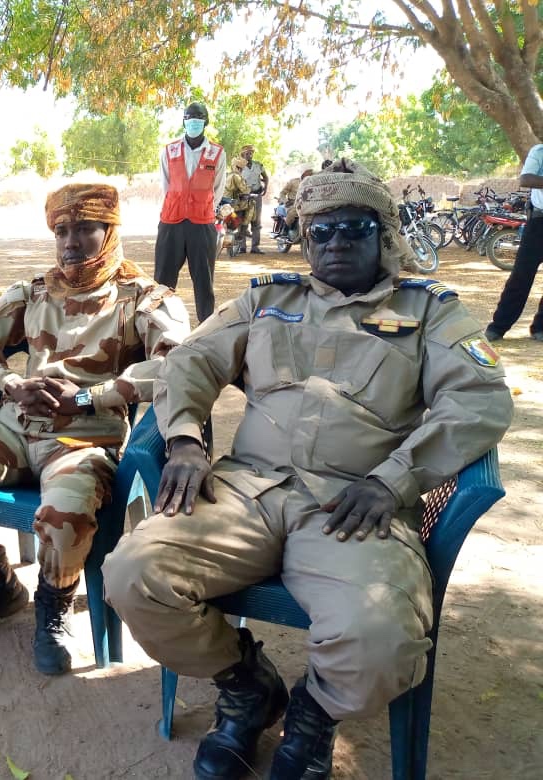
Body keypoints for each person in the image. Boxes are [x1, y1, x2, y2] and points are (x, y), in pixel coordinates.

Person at [104, 159, 513, 780]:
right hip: (247, 491)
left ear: (384, 234)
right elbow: (189, 363)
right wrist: (185, 439)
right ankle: (247, 686)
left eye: (353, 228)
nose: (336, 242)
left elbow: (479, 401)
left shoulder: (428, 311)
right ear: (304, 238)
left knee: (381, 640)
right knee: (134, 572)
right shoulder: (268, 301)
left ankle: (315, 713)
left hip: (356, 505)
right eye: (320, 231)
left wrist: (396, 478)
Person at [0, 183, 191, 676]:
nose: (70, 242)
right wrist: (9, 381)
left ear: (109, 231)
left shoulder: (144, 299)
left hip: (86, 436)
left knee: (66, 511)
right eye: (61, 231)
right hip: (11, 431)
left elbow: (176, 366)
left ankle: (53, 604)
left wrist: (88, 395)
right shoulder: (33, 292)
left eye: (84, 229)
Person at [154, 101, 227, 323]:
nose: (194, 122)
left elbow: (218, 187)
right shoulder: (170, 150)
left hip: (202, 223)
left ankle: (205, 328)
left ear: (205, 122)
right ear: (184, 121)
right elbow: (166, 185)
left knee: (204, 281)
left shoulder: (217, 153)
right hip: (171, 222)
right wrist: (179, 203)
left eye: (198, 118)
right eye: (190, 118)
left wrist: (201, 205)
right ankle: (159, 325)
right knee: (162, 281)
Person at [484, 141, 543, 342]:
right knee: (521, 276)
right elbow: (526, 178)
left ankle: (540, 328)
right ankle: (498, 327)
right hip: (539, 222)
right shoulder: (539, 151)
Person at [239, 144, 270, 254]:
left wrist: (265, 188)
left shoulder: (258, 165)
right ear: (242, 154)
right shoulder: (239, 166)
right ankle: (241, 247)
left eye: (251, 153)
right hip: (243, 197)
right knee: (243, 220)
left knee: (256, 221)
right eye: (246, 153)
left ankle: (255, 247)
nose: (249, 155)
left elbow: (265, 177)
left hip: (257, 195)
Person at [224, 158, 254, 254]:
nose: (241, 169)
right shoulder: (236, 177)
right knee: (251, 205)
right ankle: (244, 229)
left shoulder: (227, 175)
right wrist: (250, 189)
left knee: (231, 224)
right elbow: (244, 190)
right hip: (233, 204)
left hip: (223, 203)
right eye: (240, 168)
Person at [277, 168, 314, 240]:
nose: (311, 174)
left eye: (311, 173)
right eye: (309, 172)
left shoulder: (313, 182)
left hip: (307, 204)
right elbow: (282, 193)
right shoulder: (293, 182)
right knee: (293, 212)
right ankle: (285, 230)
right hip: (293, 204)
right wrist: (285, 201)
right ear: (303, 173)